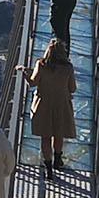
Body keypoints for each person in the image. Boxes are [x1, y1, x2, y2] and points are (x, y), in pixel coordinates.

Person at [26, 32, 77, 173]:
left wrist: (25, 72)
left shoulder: (41, 65)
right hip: (62, 105)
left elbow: (33, 82)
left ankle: (48, 166)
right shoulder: (68, 68)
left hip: (43, 104)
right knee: (58, 133)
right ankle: (58, 158)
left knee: (45, 136)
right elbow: (72, 88)